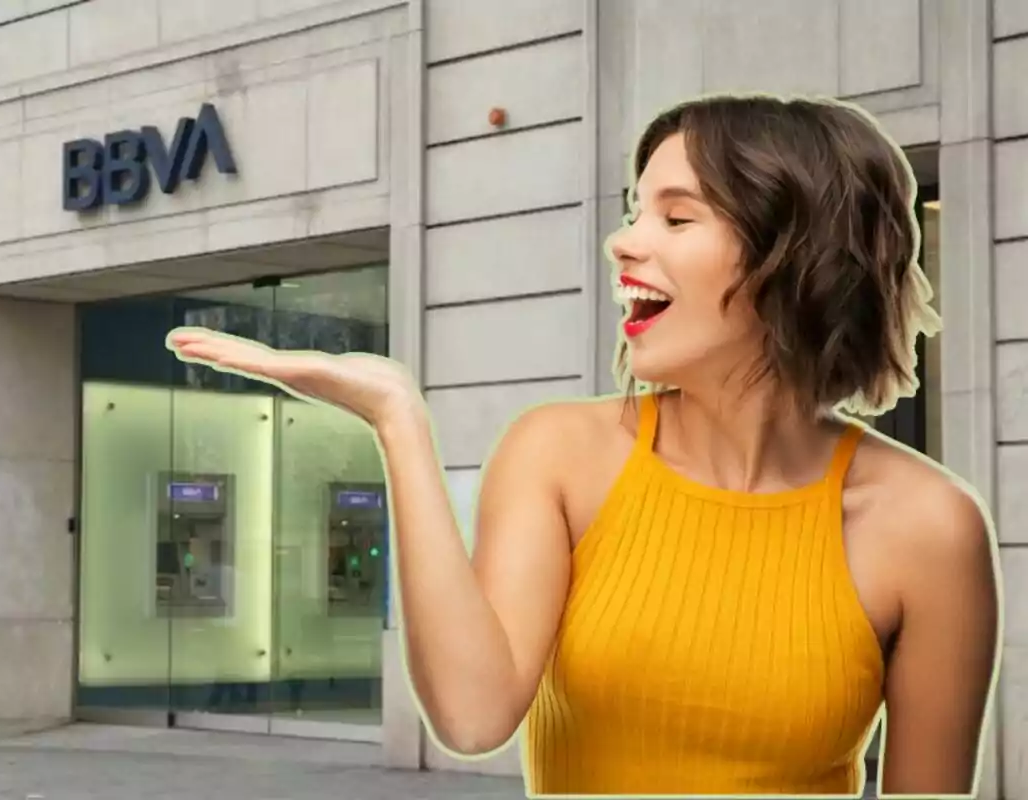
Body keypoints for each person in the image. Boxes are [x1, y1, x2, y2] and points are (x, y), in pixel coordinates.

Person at [165, 93, 1001, 797]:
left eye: (678, 217)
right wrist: (397, 421)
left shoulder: (929, 526)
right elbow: (472, 713)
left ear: (798, 260)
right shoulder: (559, 454)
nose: (625, 242)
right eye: (635, 213)